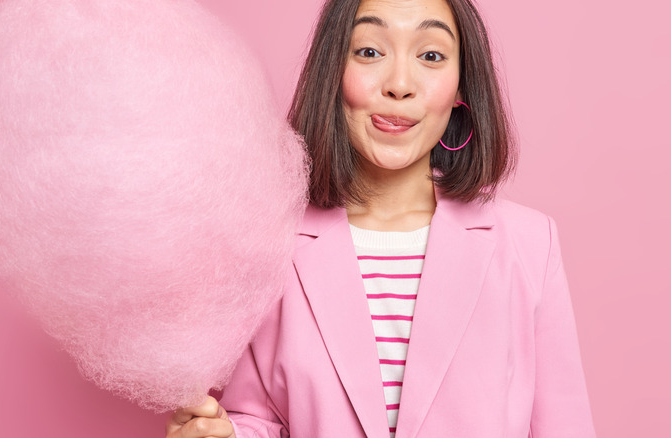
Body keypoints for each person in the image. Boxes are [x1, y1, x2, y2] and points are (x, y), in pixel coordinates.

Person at [165, 0, 596, 436]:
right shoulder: (272, 244)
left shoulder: (529, 244)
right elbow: (260, 417)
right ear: (333, 71)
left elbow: (564, 427)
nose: (400, 85)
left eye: (431, 55)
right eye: (370, 52)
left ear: (461, 87)